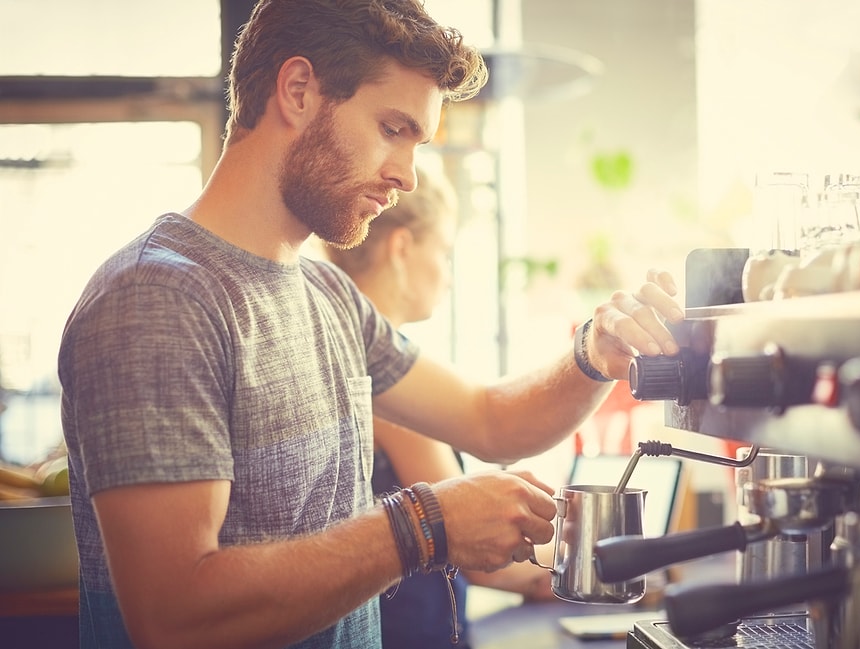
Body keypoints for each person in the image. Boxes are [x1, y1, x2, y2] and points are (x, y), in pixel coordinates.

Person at [56, 1, 686, 648]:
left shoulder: (328, 293)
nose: (407, 177)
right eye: (393, 128)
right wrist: (423, 526)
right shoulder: (156, 298)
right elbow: (176, 617)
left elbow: (491, 419)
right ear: (298, 90)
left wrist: (593, 353)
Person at [318, 164, 556, 648]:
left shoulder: (334, 349)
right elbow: (469, 543)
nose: (447, 276)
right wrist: (565, 580)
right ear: (402, 248)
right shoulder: (385, 380)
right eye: (444, 252)